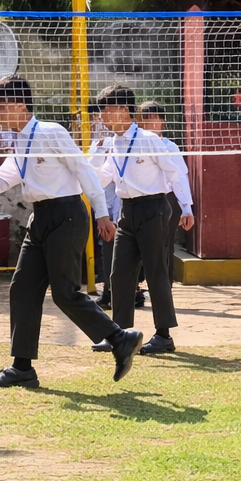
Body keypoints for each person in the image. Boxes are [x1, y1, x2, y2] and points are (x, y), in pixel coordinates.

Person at [0, 76, 142, 388]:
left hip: (67, 215)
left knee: (64, 293)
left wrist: (102, 214)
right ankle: (22, 367)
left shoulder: (51, 132)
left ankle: (120, 337)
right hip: (40, 219)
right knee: (22, 288)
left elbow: (83, 171)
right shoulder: (17, 143)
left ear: (20, 105)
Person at [91, 87, 197, 356]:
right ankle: (120, 334)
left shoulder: (150, 139)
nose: (102, 116)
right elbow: (104, 176)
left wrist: (186, 207)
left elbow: (175, 173)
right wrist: (92, 156)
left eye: (106, 110)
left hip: (154, 209)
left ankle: (163, 336)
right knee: (118, 273)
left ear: (123, 111)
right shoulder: (112, 142)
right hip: (127, 211)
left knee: (155, 271)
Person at [136, 101, 194, 307]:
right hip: (139, 202)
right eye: (145, 119)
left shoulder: (170, 147)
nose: (151, 123)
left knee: (164, 247)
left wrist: (186, 207)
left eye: (155, 118)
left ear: (163, 122)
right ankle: (136, 289)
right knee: (138, 246)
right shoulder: (130, 146)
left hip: (166, 200)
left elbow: (181, 177)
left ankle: (164, 290)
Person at [86, 106, 122, 309]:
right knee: (107, 250)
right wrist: (99, 150)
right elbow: (92, 173)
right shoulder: (97, 144)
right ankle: (108, 292)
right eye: (94, 118)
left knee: (121, 252)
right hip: (104, 207)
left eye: (99, 117)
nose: (97, 122)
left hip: (120, 205)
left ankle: (127, 292)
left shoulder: (121, 140)